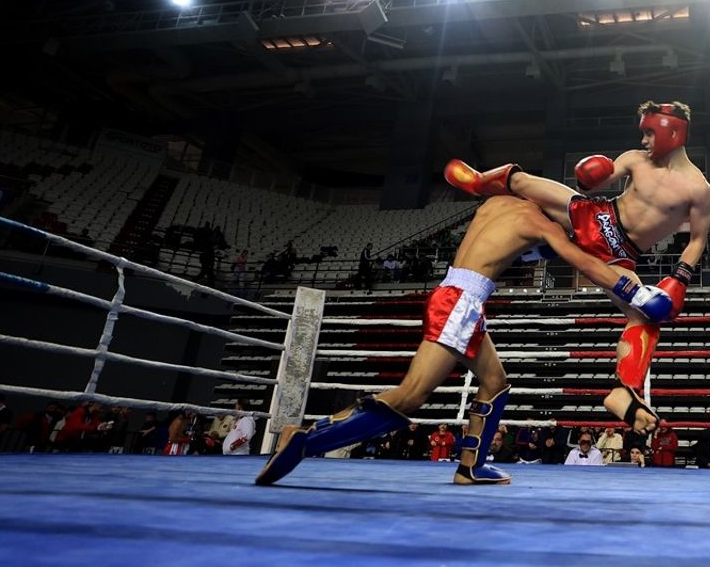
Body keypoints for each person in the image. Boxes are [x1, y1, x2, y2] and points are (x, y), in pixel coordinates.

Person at [256, 196, 675, 487]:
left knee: (495, 383)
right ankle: (308, 439)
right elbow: (584, 260)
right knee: (411, 396)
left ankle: (471, 466)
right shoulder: (542, 225)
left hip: (457, 295)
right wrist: (636, 293)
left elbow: (506, 247)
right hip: (462, 302)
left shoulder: (497, 206)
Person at [445, 100, 710, 434]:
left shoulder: (699, 190)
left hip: (619, 255)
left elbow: (698, 240)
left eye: (648, 132)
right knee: (525, 183)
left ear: (671, 131)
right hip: (595, 216)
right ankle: (479, 181)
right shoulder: (635, 159)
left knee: (644, 317)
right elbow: (598, 180)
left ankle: (624, 390)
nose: (644, 140)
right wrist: (591, 177)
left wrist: (679, 279)